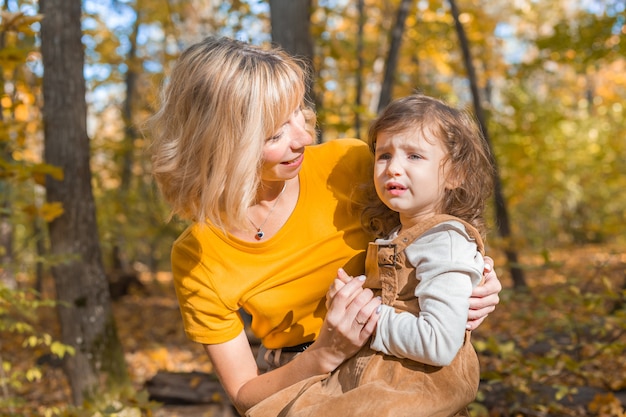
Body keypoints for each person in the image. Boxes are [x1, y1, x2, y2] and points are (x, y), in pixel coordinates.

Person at [149, 36, 502, 416]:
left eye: (298, 112)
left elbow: (425, 237)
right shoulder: (198, 256)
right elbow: (245, 393)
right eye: (276, 132)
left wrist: (476, 278)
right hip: (304, 389)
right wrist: (328, 351)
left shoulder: (350, 165)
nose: (303, 137)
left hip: (402, 375)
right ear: (222, 143)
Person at [246, 94, 495, 417]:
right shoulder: (398, 233)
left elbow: (439, 343)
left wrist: (364, 315)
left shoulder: (445, 240)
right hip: (376, 377)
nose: (393, 168)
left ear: (455, 175)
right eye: (384, 155)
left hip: (412, 391)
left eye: (415, 156)